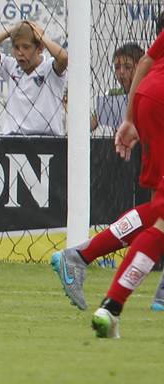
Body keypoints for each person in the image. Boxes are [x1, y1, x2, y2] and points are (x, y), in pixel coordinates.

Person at [49, 26, 164, 338]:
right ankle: (111, 303)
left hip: (149, 97)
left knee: (159, 209)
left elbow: (145, 64)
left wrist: (131, 117)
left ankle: (82, 258)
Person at [0, 21, 68, 135]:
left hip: (46, 140)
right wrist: (10, 31)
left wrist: (41, 37)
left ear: (40, 48)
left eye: (26, 47)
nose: (20, 52)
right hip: (14, 139)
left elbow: (63, 57)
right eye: (16, 47)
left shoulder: (50, 68)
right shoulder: (11, 67)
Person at [92, 43, 143, 132]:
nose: (121, 72)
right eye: (117, 67)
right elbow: (91, 123)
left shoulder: (148, 95)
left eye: (127, 67)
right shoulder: (113, 95)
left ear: (140, 68)